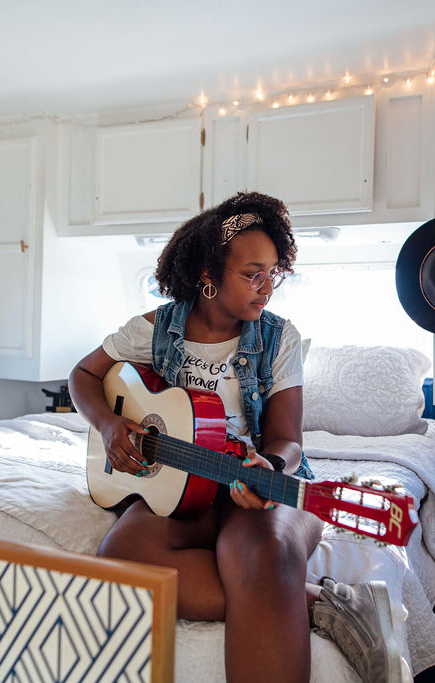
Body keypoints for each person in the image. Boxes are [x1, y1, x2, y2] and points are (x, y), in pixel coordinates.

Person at [69, 192, 401, 683]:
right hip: (184, 485)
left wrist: (271, 467)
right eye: (252, 273)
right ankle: (329, 605)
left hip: (266, 485)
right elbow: (83, 375)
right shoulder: (154, 329)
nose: (267, 287)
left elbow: (288, 439)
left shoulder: (278, 337)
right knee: (123, 554)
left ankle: (278, 585)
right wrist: (107, 423)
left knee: (259, 554)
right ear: (208, 274)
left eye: (274, 272)